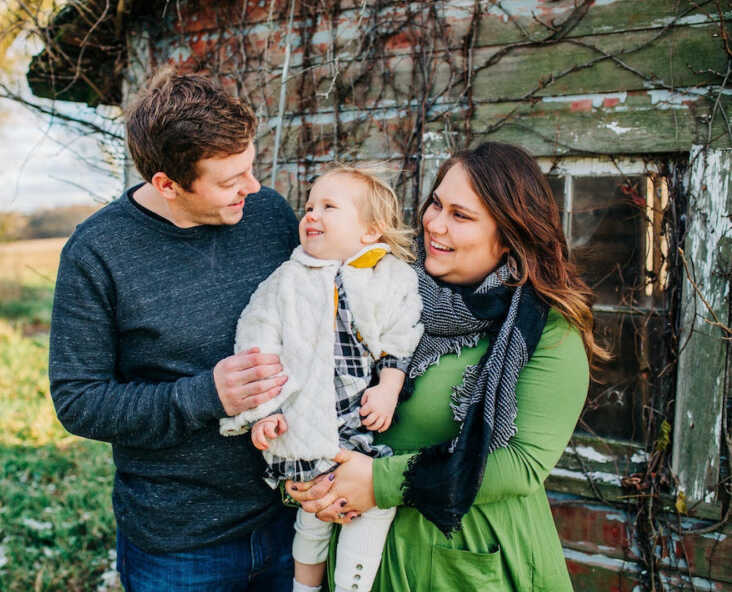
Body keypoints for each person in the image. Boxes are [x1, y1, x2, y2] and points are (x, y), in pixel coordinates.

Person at [287, 142, 608, 591]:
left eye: (461, 215)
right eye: (436, 203)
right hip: (361, 549)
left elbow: (521, 465)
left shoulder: (550, 329)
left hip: (466, 558)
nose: (434, 224)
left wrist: (379, 482)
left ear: (509, 234)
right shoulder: (383, 286)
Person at [48, 69, 301, 591]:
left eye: (250, 169)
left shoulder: (271, 217)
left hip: (294, 518)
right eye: (231, 181)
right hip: (180, 546)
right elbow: (78, 400)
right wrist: (204, 396)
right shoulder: (97, 254)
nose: (252, 188)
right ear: (166, 184)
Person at [219, 167, 423, 592]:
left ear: (370, 231)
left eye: (329, 207)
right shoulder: (286, 280)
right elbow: (256, 341)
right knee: (311, 516)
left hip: (358, 423)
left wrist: (388, 388)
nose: (312, 215)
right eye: (309, 207)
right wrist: (264, 414)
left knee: (372, 508)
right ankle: (304, 587)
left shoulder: (392, 278)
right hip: (305, 422)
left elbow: (402, 336)